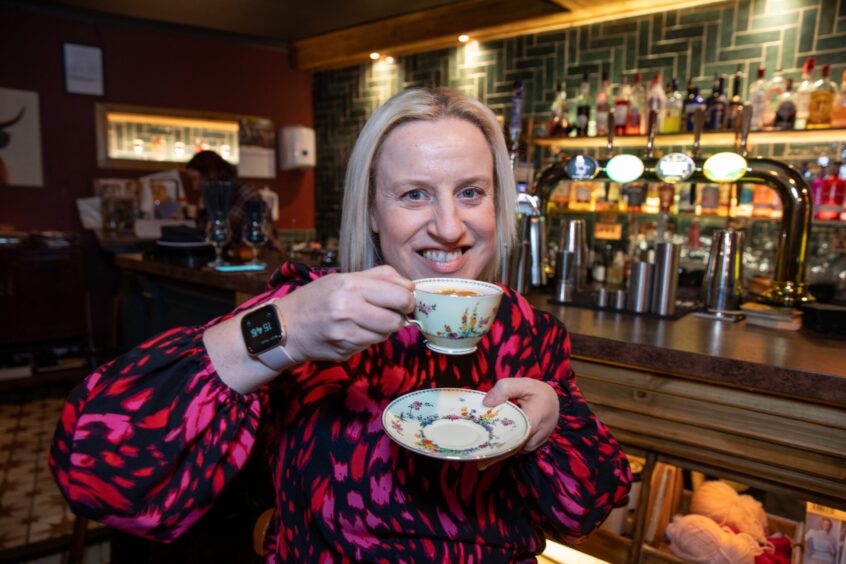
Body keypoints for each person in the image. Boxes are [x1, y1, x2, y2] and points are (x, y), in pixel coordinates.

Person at [50, 87, 631, 561]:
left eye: (471, 192)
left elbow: (584, 510)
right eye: (414, 195)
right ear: (373, 212)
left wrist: (549, 427)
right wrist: (285, 329)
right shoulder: (310, 308)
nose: (450, 227)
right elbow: (95, 475)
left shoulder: (528, 332)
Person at [184, 150, 282, 252]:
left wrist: (202, 211)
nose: (194, 186)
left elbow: (225, 232)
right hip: (242, 258)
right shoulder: (217, 197)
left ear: (209, 174)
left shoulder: (242, 191)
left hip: (263, 256)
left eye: (195, 178)